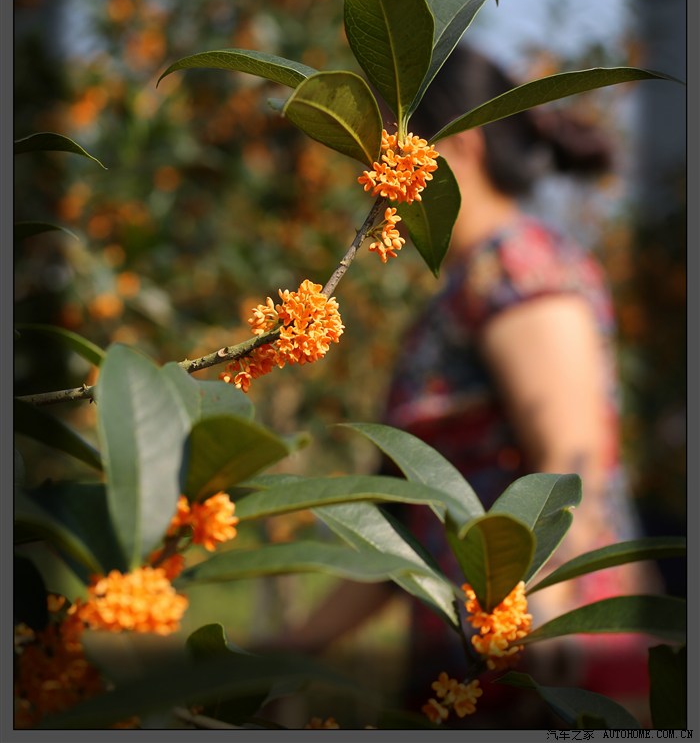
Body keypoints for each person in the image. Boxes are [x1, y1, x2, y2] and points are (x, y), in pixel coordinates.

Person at [267, 45, 655, 726]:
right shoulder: (458, 291)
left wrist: (545, 605)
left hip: (547, 665)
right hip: (465, 674)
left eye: (384, 148)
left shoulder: (519, 267)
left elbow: (570, 455)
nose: (369, 171)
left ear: (457, 148)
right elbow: (403, 529)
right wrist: (292, 650)